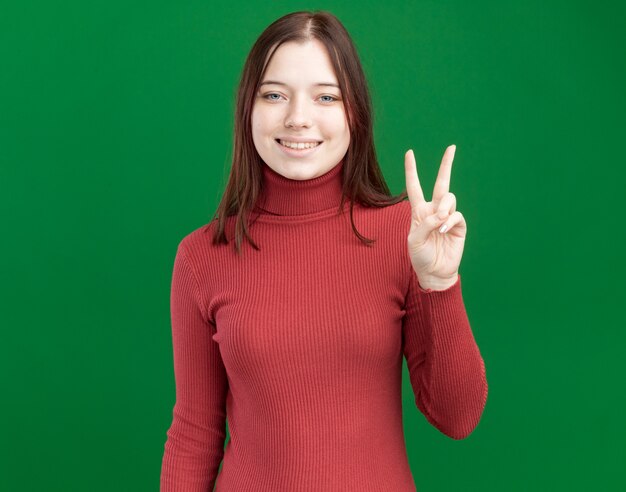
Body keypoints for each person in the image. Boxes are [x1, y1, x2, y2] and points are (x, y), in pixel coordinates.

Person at [160, 10, 488, 492]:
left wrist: (439, 284)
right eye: (274, 94)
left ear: (354, 111)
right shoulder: (202, 255)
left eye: (326, 96)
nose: (298, 118)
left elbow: (457, 417)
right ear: (248, 109)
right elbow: (195, 432)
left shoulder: (406, 235)